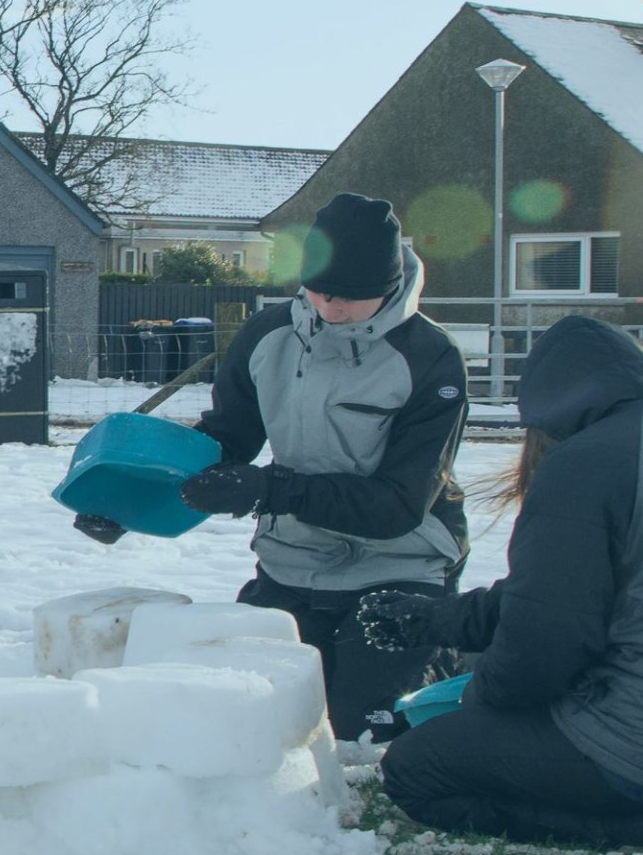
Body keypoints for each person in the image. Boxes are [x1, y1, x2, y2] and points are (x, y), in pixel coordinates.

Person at [361, 315, 643, 850]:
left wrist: (478, 705)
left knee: (417, 766)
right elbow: (560, 597)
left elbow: (544, 645)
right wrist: (436, 620)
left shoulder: (583, 466)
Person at [77, 193, 470, 743]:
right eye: (321, 291)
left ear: (388, 289)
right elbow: (225, 443)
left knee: (363, 733)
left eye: (354, 298)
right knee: (260, 720)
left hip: (400, 565)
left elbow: (398, 506)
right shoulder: (267, 336)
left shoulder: (431, 358)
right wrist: (128, 497)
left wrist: (271, 489)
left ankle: (454, 659)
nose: (333, 308)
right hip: (294, 563)